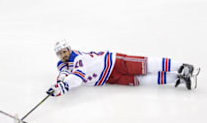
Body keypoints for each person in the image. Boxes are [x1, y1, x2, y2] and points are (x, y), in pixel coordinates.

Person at [47, 39, 200, 97]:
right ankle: (178, 78)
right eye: (60, 53)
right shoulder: (63, 64)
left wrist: (64, 86)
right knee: (141, 80)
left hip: (113, 63)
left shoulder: (79, 58)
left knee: (146, 65)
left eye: (64, 50)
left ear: (69, 48)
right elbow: (64, 73)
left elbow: (76, 78)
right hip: (108, 78)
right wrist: (58, 83)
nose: (63, 54)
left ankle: (182, 67)